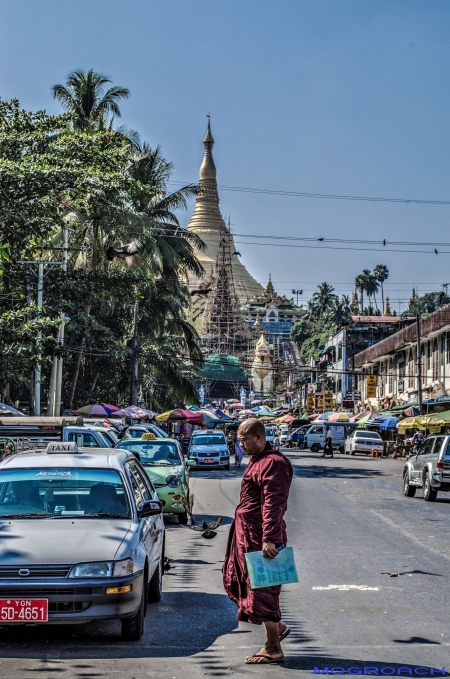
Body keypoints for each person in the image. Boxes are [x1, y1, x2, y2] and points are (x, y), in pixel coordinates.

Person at [223, 418, 293, 665]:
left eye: (243, 440)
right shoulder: (257, 461)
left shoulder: (273, 463)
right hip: (248, 535)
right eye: (238, 440)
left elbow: (273, 503)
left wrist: (270, 539)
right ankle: (277, 628)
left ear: (259, 438)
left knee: (264, 589)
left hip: (261, 537)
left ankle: (273, 648)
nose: (240, 444)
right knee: (248, 585)